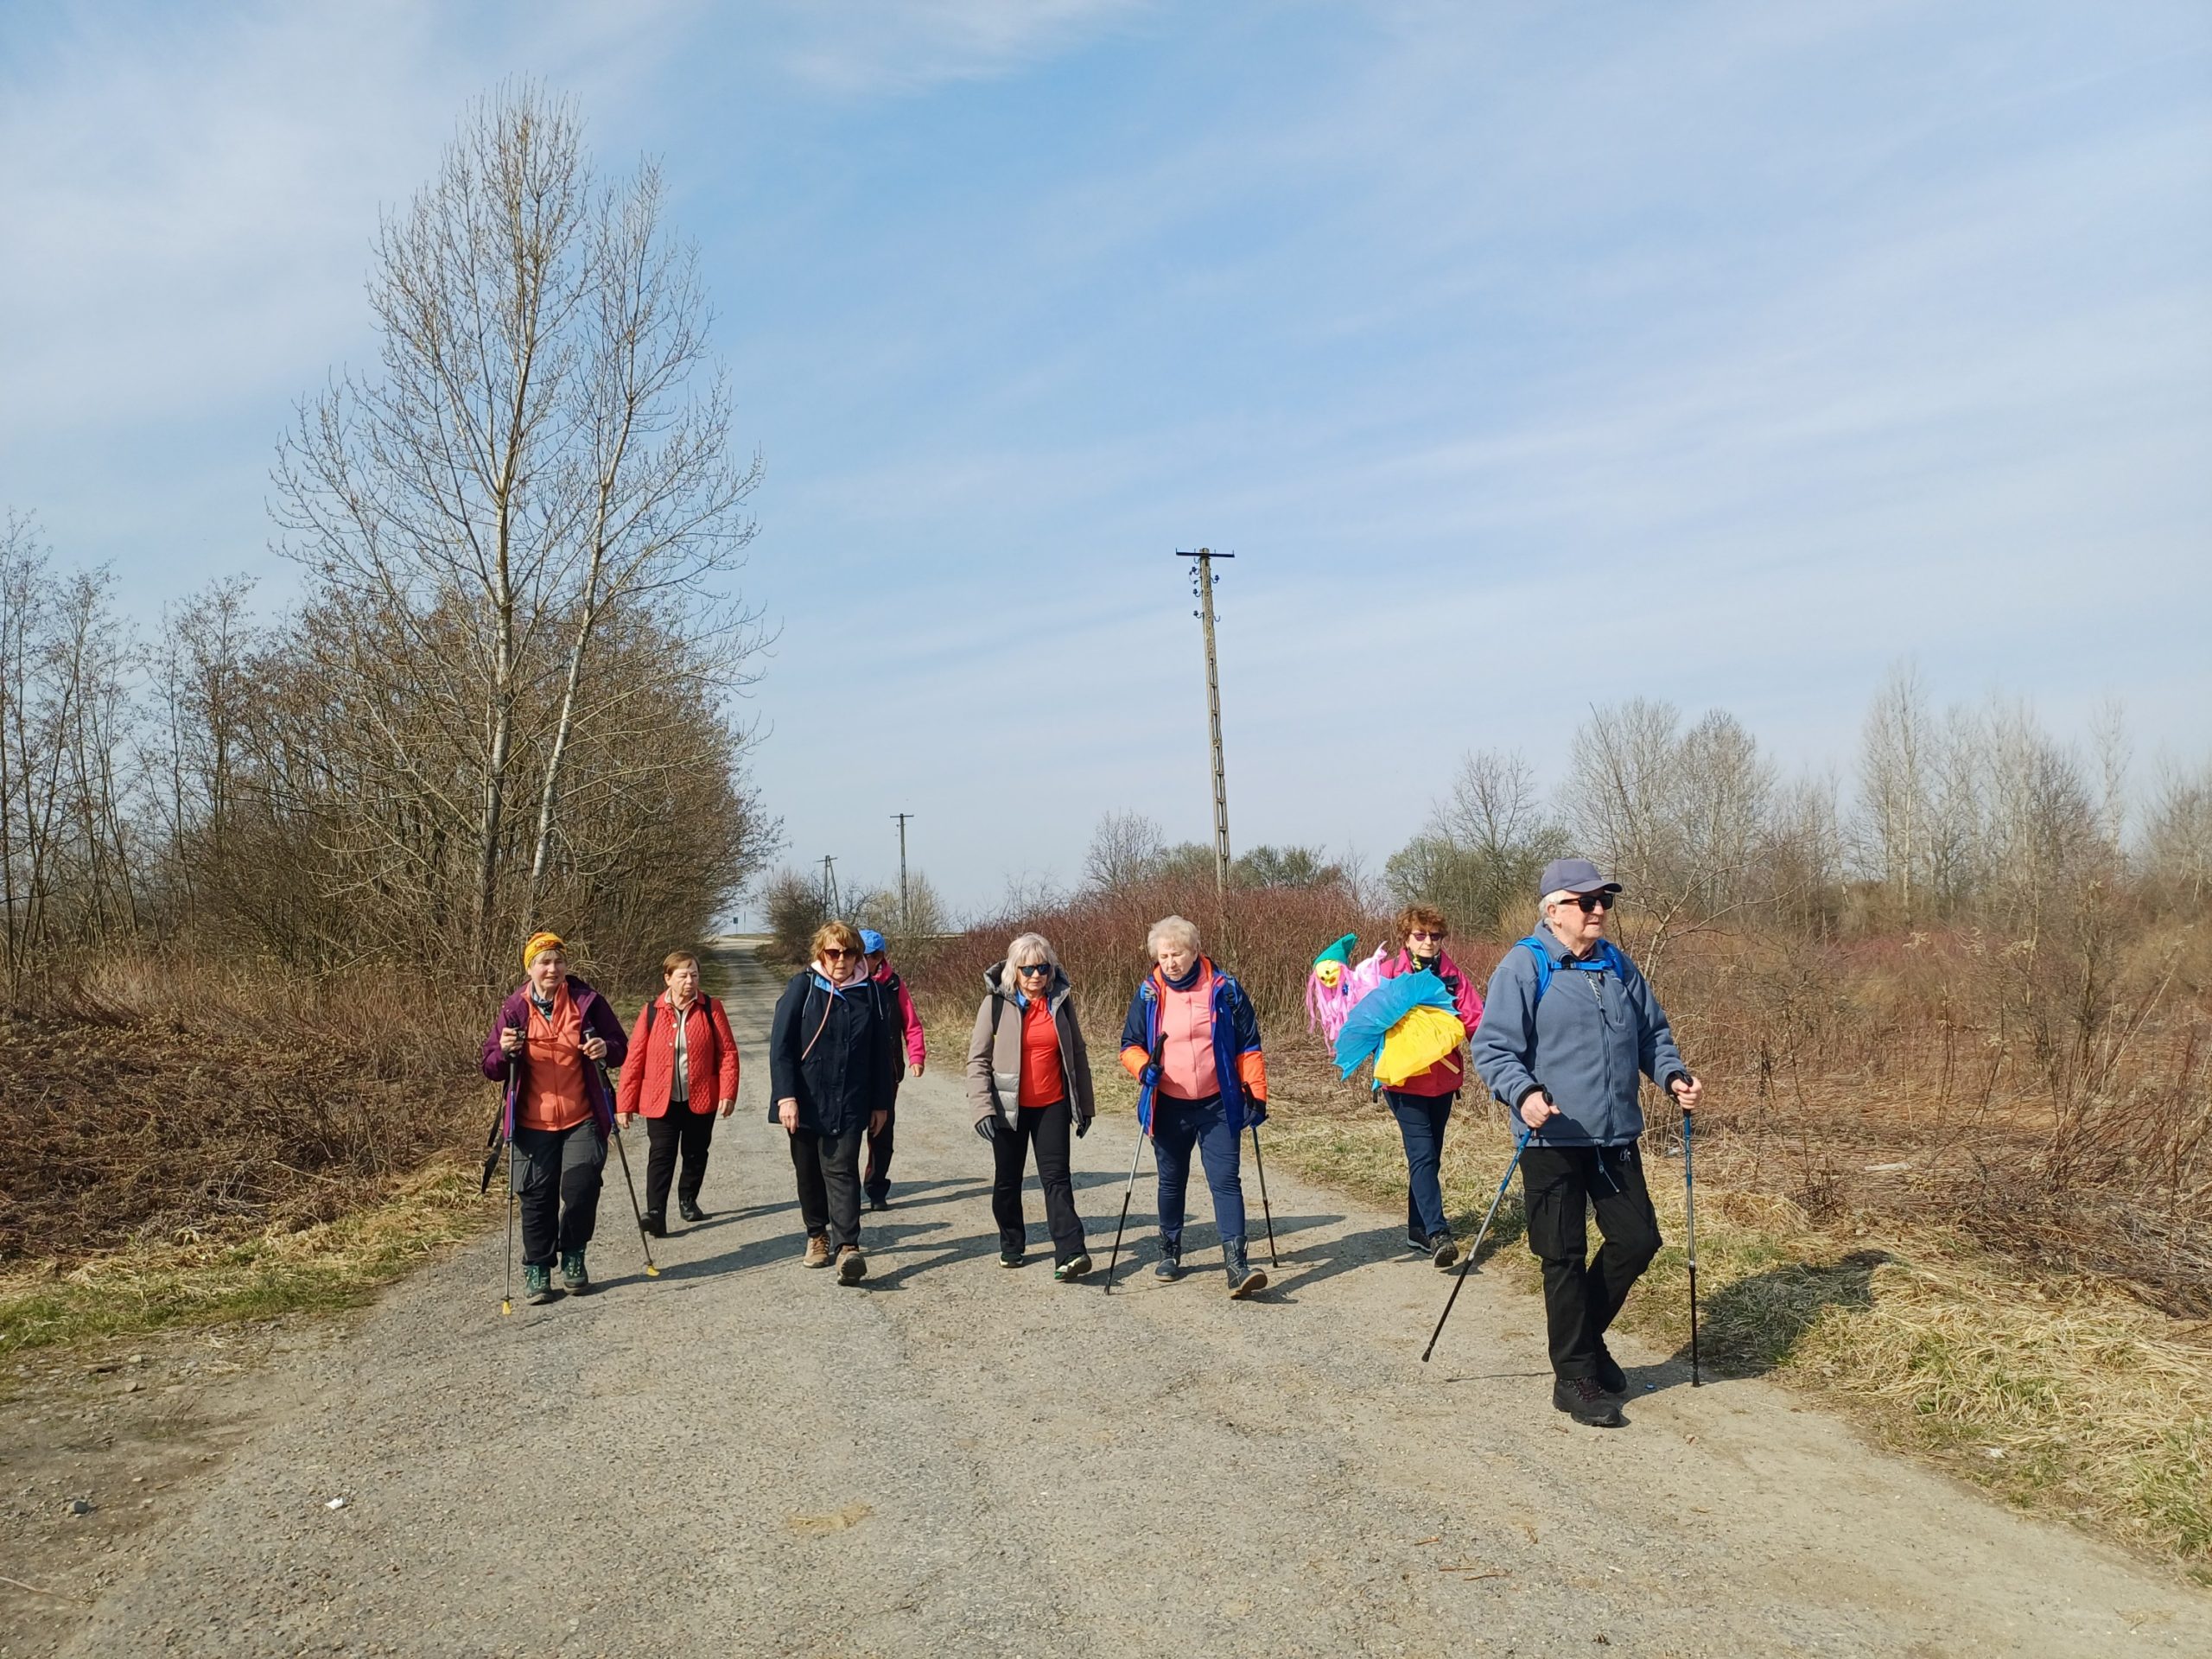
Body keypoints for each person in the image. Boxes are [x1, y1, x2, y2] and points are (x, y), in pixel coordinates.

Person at [1470, 858, 1705, 1427]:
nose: (1599, 910)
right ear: (1554, 910)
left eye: (1605, 900)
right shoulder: (1525, 966)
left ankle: (1586, 1340)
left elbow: (1652, 1034)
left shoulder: (1617, 965)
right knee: (1563, 1256)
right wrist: (1523, 1092)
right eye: (1586, 901)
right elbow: (1493, 1048)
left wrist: (1672, 1075)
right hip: (1551, 1137)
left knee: (1638, 1240)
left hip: (1613, 1134)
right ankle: (1574, 1377)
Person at [1118, 915, 1270, 1297]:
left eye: (1178, 954)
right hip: (1169, 1104)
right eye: (1164, 956)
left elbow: (1249, 1046)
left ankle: (1237, 1265)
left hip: (1218, 1103)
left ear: (1195, 951)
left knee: (1226, 1179)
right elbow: (1130, 1045)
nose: (1171, 962)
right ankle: (1169, 1250)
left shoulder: (1225, 989)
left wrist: (1256, 1094)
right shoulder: (1149, 994)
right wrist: (1144, 1068)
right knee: (1172, 1180)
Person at [480, 931, 629, 1304]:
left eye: (558, 960)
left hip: (582, 1116)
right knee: (536, 1197)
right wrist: (504, 1051)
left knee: (582, 1188)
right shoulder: (514, 1009)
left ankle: (574, 1254)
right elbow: (490, 1066)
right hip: (532, 1121)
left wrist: (604, 1047)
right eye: (544, 962)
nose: (552, 968)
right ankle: (538, 1267)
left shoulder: (587, 1002)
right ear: (529, 968)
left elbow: (620, 1047)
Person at [768, 921, 899, 1284]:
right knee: (809, 1171)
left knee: (842, 1170)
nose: (841, 960)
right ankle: (817, 1235)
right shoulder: (803, 987)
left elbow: (881, 1053)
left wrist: (881, 1103)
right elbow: (781, 1048)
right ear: (821, 954)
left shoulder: (872, 993)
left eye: (849, 953)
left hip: (851, 1099)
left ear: (859, 956)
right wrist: (786, 1098)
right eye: (833, 953)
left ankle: (847, 1248)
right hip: (805, 1099)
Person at [966, 932, 1096, 1279]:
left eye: (1043, 968)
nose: (1036, 975)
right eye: (1028, 969)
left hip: (1052, 1105)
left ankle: (1071, 1252)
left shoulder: (1060, 1003)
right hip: (1008, 1108)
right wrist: (982, 1108)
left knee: (1057, 1179)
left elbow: (1077, 1054)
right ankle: (1012, 1243)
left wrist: (1084, 1106)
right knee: (1008, 1180)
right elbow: (977, 1060)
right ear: (1015, 971)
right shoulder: (995, 1005)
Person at [1377, 904, 1484, 1270]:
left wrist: (1502, 1054)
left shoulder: (1453, 977)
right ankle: (1439, 1233)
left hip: (1442, 1081)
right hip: (1403, 1082)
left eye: (1435, 936)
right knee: (1422, 1154)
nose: (1428, 942)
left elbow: (1476, 1020)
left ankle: (1417, 1228)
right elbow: (1364, 1016)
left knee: (1430, 1157)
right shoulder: (1387, 975)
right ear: (1405, 938)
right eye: (1420, 935)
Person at [616, 950, 741, 1235]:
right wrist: (624, 1103)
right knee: (661, 1154)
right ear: (668, 979)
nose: (690, 981)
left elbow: (728, 1053)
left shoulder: (711, 1008)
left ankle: (688, 1199)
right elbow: (634, 1058)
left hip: (701, 1095)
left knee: (695, 1152)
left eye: (694, 975)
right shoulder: (651, 1011)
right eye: (683, 975)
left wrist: (728, 1092)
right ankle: (656, 1213)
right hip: (661, 1099)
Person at [860, 928, 927, 1211]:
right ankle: (844, 1194)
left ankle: (876, 1188)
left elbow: (911, 1024)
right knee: (848, 1135)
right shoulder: (846, 984)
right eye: (859, 955)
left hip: (887, 1073)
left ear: (880, 957)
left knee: (882, 1132)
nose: (863, 961)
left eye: (870, 956)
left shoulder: (894, 985)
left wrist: (916, 1056)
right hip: (853, 1073)